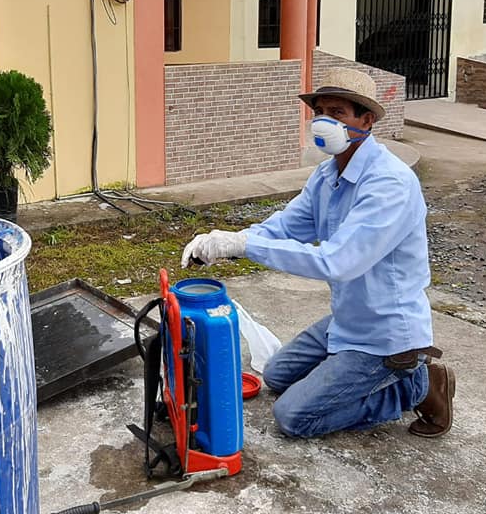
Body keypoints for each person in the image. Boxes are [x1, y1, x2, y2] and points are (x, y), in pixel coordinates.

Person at [181, 67, 456, 440]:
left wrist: (245, 245)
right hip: (347, 318)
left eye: (338, 113)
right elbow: (285, 226)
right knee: (276, 374)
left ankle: (417, 386)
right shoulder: (327, 176)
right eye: (321, 112)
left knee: (293, 416)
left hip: (385, 335)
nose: (324, 122)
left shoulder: (390, 184)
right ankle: (352, 376)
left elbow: (337, 262)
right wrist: (229, 240)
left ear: (367, 120)